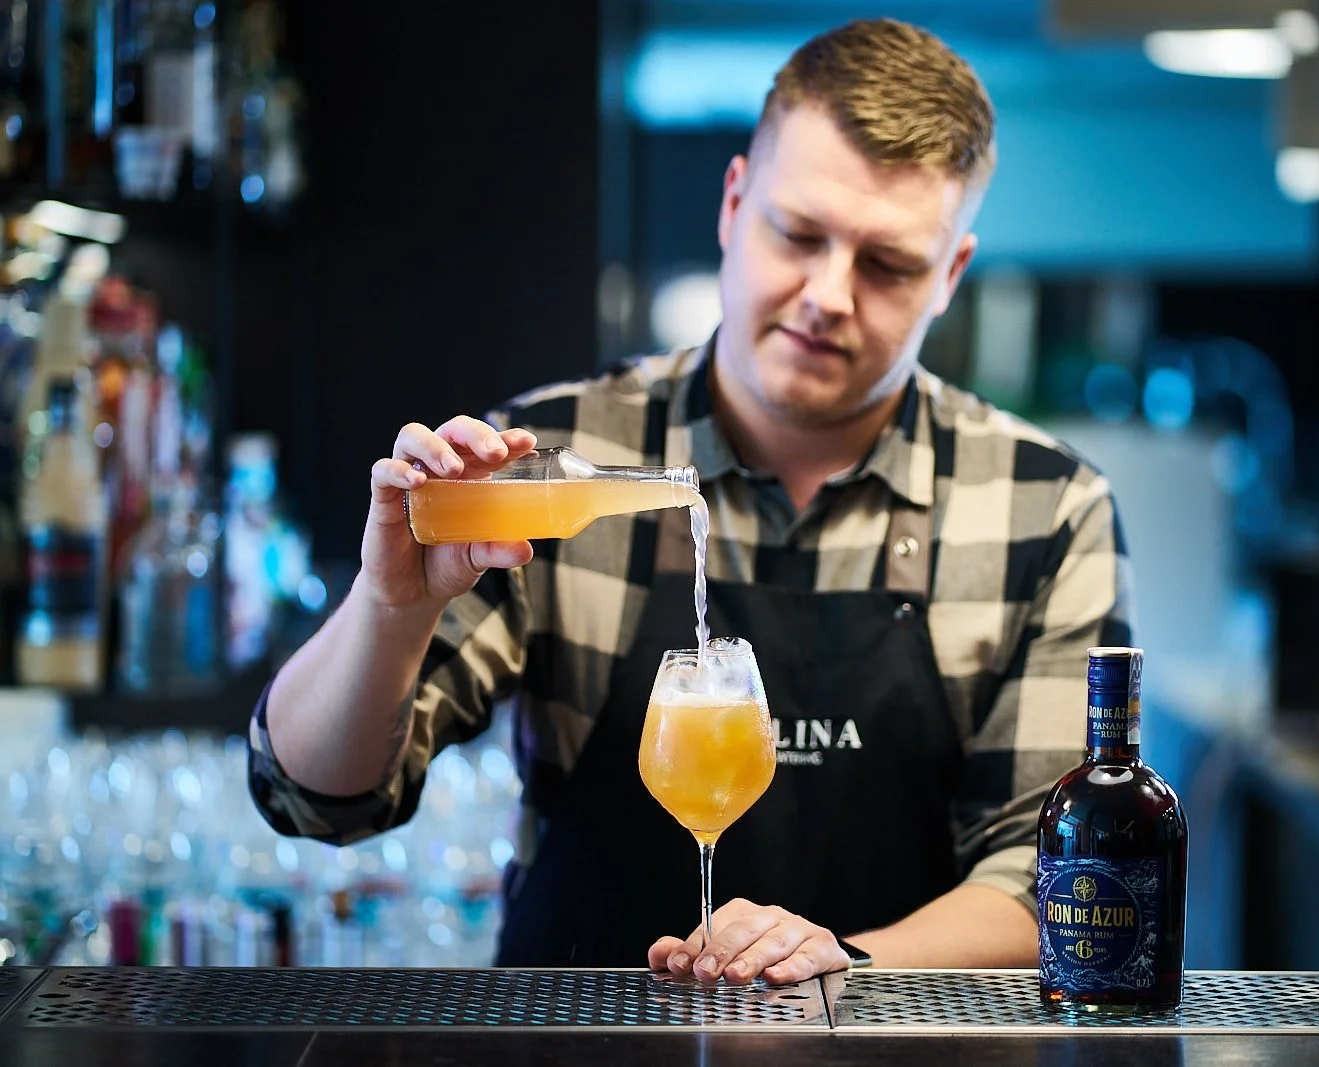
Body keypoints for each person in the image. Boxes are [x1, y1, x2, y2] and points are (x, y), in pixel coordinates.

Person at [248, 17, 1133, 983]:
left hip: (897, 1050)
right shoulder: (560, 467)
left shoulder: (1043, 508)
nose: (829, 295)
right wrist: (392, 605)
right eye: (797, 234)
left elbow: (1054, 878)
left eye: (887, 265)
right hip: (576, 1046)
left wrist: (840, 965)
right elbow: (316, 800)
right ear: (733, 204)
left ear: (951, 276)